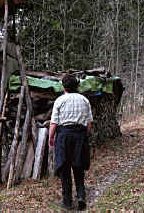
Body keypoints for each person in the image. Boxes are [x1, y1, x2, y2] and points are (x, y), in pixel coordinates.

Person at [49, 74, 93, 211]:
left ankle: (67, 202)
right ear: (77, 86)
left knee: (64, 168)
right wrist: (84, 135)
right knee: (78, 166)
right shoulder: (84, 100)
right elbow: (89, 123)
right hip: (80, 135)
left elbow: (54, 123)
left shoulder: (60, 100)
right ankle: (81, 197)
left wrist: (51, 137)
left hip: (64, 137)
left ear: (64, 86)